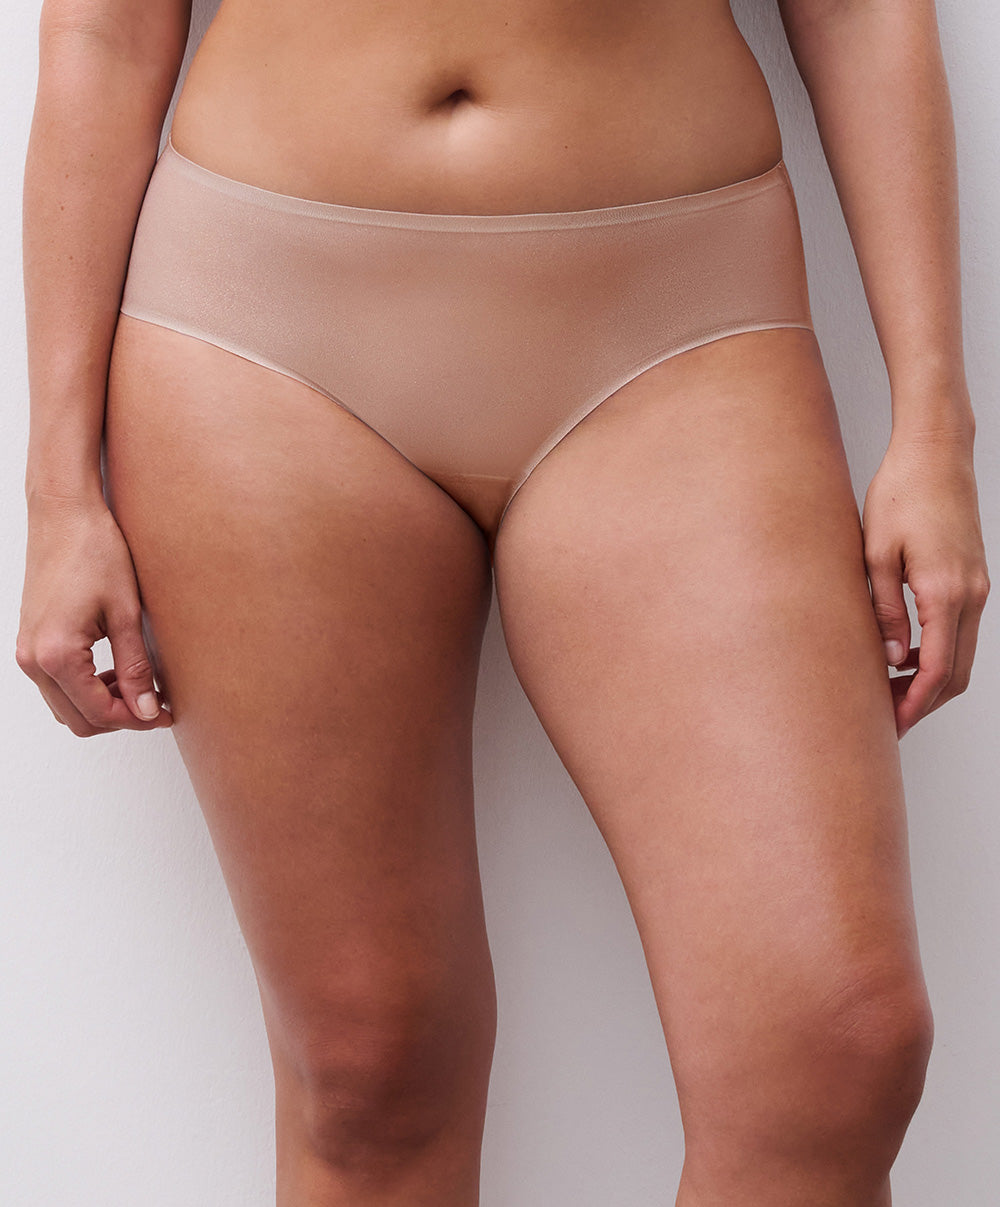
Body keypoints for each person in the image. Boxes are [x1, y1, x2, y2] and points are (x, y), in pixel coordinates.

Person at [16, 0, 989, 1202]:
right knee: (371, 1071)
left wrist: (934, 426)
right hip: (262, 328)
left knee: (831, 1050)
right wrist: (58, 490)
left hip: (678, 322)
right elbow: (104, 31)